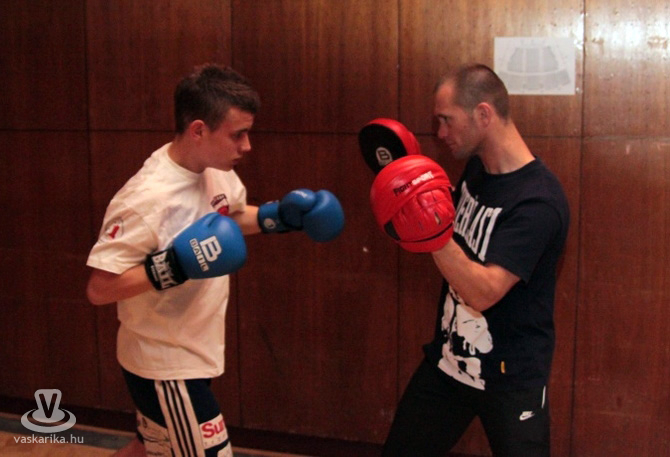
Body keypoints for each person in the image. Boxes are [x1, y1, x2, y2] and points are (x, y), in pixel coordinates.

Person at [86, 64, 344, 457]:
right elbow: (100, 289)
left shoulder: (215, 170)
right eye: (237, 134)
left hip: (194, 348)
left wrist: (280, 218)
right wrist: (175, 264)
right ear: (198, 130)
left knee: (147, 449)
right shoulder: (145, 198)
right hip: (164, 363)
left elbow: (230, 220)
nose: (247, 146)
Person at [380, 64, 570, 456]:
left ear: (483, 114)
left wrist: (430, 231)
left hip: (511, 377)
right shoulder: (478, 169)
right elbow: (458, 232)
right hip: (449, 363)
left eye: (446, 120)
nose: (440, 133)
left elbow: (483, 292)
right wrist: (414, 188)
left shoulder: (538, 202)